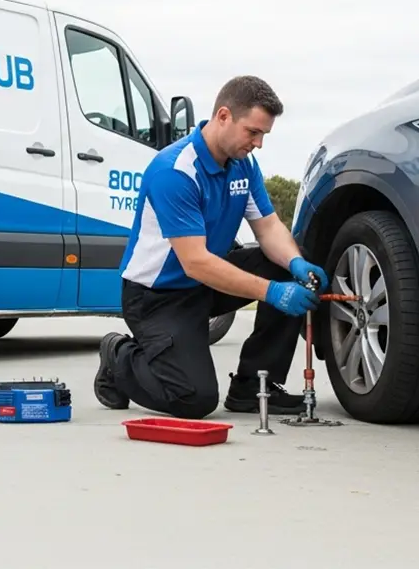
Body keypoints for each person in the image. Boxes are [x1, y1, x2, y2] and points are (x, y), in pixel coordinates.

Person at [93, 75, 330, 419]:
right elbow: (195, 263)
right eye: (253, 132)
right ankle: (119, 355)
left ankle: (254, 387)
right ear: (223, 116)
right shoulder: (175, 171)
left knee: (289, 264)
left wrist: (295, 263)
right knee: (194, 399)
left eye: (263, 134)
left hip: (205, 284)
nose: (259, 143)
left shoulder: (243, 166)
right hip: (158, 298)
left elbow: (267, 227)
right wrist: (273, 292)